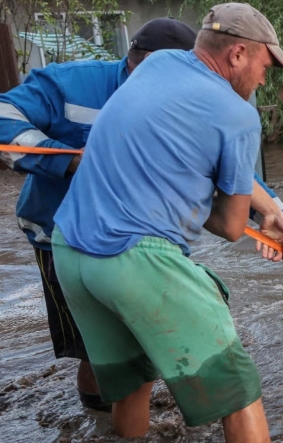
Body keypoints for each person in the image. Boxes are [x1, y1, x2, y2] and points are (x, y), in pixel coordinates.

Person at [51, 3, 283, 440]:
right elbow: (228, 226)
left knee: (133, 383)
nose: (266, 78)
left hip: (69, 251)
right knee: (238, 388)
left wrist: (272, 211)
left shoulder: (158, 63)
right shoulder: (239, 115)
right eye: (266, 66)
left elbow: (172, 150)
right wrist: (258, 220)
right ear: (238, 54)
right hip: (134, 259)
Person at [0, 17, 199, 412]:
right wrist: (72, 161)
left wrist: (275, 216)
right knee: (94, 347)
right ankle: (101, 422)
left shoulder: (185, 100)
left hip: (142, 241)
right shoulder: (71, 84)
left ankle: (126, 412)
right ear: (140, 64)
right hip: (60, 236)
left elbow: (227, 172)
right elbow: (4, 116)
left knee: (148, 336)